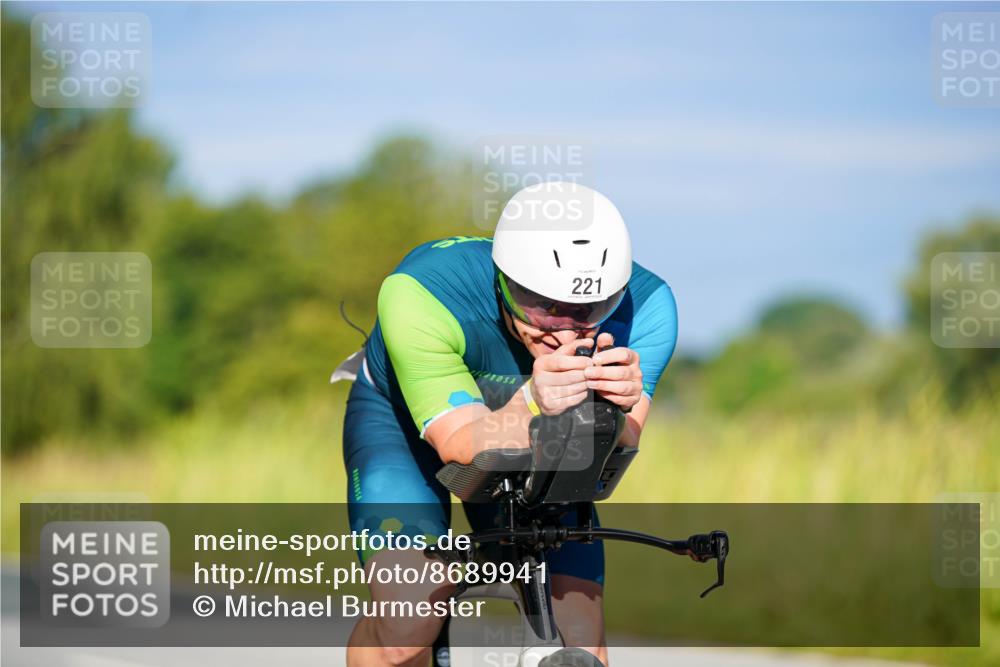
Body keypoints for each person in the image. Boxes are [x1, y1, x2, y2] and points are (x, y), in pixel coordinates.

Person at [339, 181, 678, 666]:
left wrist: (612, 412)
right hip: (404, 430)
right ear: (505, 281)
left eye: (588, 310)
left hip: (546, 437)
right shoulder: (421, 291)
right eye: (544, 306)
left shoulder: (648, 306)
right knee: (407, 624)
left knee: (579, 638)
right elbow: (459, 443)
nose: (563, 330)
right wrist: (534, 402)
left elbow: (620, 446)